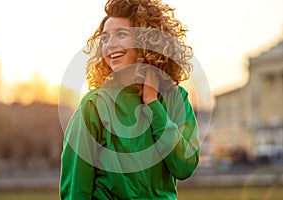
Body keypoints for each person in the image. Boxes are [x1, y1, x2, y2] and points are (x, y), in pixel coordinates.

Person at [60, 0, 200, 199]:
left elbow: (184, 167)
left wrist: (152, 103)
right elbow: (76, 190)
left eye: (121, 34)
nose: (110, 45)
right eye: (105, 38)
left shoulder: (176, 98)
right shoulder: (93, 105)